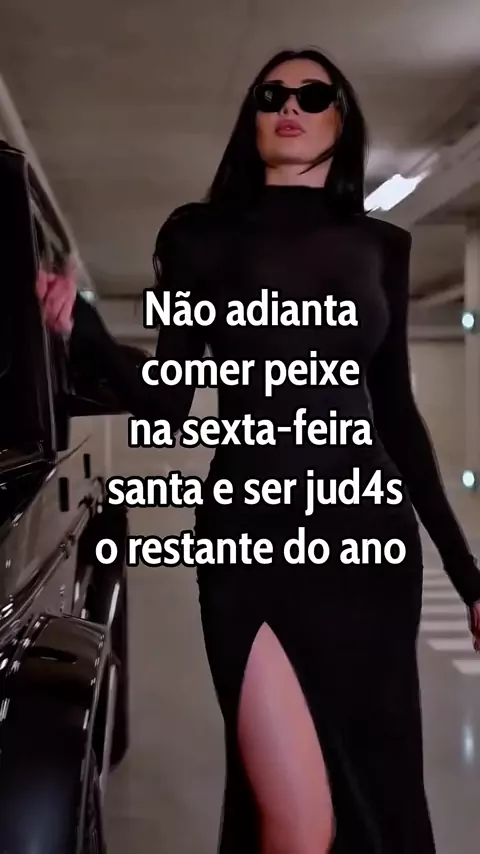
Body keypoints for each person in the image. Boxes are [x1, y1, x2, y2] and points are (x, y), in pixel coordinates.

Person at [37, 47, 480, 854]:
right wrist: (85, 331)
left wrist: (469, 576)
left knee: (373, 804)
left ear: (343, 118)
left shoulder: (383, 246)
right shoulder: (200, 236)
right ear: (252, 117)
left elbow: (397, 418)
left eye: (312, 95)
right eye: (271, 95)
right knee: (298, 824)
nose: (289, 107)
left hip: (368, 548)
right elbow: (171, 402)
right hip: (252, 543)